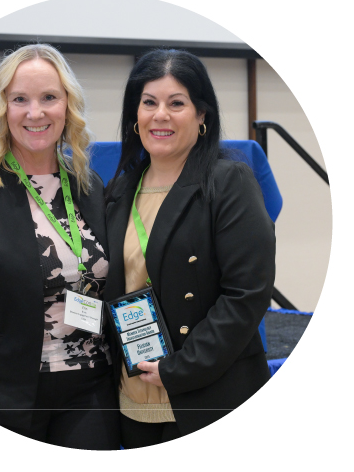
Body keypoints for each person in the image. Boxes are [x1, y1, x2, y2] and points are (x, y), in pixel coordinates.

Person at [0, 44, 120, 450]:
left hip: (92, 391)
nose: (35, 113)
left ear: (67, 105)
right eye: (20, 99)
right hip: (7, 398)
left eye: (49, 97)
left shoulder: (88, 185)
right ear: (2, 107)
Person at [104, 48, 275, 448]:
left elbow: (246, 294)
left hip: (209, 394)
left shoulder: (229, 182)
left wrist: (180, 368)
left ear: (202, 115)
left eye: (176, 103)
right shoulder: (118, 190)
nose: (160, 115)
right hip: (132, 398)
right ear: (135, 116)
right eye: (149, 103)